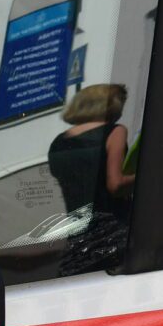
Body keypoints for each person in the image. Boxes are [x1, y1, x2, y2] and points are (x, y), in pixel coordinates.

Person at [46, 84, 134, 260]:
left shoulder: (58, 142)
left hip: (78, 235)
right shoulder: (115, 131)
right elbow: (115, 185)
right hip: (112, 230)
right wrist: (147, 176)